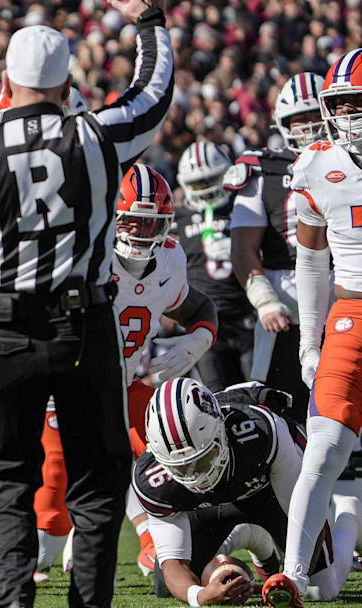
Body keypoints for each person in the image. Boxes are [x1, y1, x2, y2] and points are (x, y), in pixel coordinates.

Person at [0, 1, 174, 605]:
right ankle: (87, 600)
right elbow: (153, 94)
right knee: (98, 481)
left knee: (8, 479)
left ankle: (10, 596)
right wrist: (149, 19)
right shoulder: (95, 135)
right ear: (69, 88)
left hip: (4, 328)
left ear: (4, 85)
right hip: (83, 326)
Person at [0, 164, 218, 594]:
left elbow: (198, 306)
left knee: (173, 451)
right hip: (61, 391)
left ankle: (159, 544)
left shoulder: (169, 258)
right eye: (131, 221)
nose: (140, 232)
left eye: (150, 223)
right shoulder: (78, 250)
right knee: (39, 544)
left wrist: (198, 341)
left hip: (122, 384)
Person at [268, 48, 362, 608]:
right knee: (324, 448)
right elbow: (310, 262)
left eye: (359, 102)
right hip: (351, 319)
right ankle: (295, 575)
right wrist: (309, 340)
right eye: (341, 103)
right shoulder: (315, 165)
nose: (349, 113)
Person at [135, 380, 358, 606]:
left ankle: (350, 516)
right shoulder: (152, 479)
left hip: (270, 493)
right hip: (213, 506)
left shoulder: (260, 431)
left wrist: (294, 577)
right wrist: (201, 597)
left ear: (220, 431)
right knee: (167, 586)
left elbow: (303, 510)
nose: (195, 475)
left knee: (321, 588)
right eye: (181, 467)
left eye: (204, 459)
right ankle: (252, 536)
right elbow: (175, 564)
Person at [228, 72, 327, 419]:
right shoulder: (264, 169)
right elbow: (242, 248)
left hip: (343, 293)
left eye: (316, 116)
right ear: (283, 125)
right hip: (285, 298)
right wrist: (264, 301)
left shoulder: (351, 162)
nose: (310, 127)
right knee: (273, 410)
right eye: (300, 120)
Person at [174, 140, 253, 391]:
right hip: (204, 325)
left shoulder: (245, 207)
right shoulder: (177, 220)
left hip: (248, 318)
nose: (206, 190)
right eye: (199, 184)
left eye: (211, 180)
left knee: (258, 397)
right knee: (217, 400)